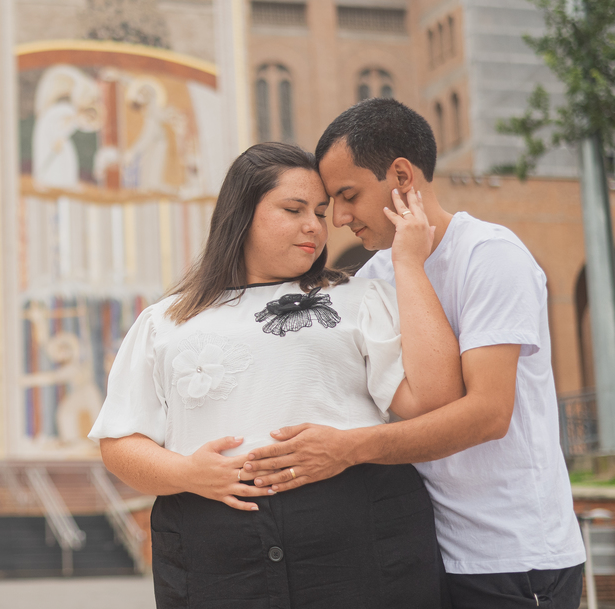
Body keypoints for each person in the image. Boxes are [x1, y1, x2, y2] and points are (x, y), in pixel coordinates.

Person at [242, 99, 586, 608]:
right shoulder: (372, 279)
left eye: (347, 195)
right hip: (422, 554)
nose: (337, 218)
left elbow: (489, 414)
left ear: (401, 175)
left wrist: (347, 449)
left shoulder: (490, 258)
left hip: (513, 559)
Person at [91, 142, 464, 608]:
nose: (314, 225)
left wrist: (408, 263)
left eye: (321, 212)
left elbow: (435, 400)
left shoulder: (359, 298)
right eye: (293, 209)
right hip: (219, 563)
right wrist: (188, 472)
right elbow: (120, 443)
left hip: (362, 551)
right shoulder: (164, 322)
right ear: (242, 213)